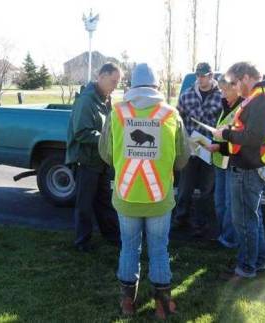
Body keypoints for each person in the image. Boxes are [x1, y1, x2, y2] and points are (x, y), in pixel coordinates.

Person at [99, 63, 190, 319]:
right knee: (160, 248)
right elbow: (182, 159)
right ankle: (162, 304)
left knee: (129, 247)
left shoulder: (116, 113)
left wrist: (125, 160)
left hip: (126, 196)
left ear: (130, 85)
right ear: (157, 86)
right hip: (159, 196)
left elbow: (105, 152)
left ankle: (128, 302)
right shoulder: (171, 114)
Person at [213, 62, 265, 279]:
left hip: (249, 167)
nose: (233, 86)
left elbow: (254, 137)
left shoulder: (261, 100)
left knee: (244, 220)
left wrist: (226, 134)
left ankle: (245, 267)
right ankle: (257, 261)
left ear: (245, 78)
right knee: (253, 218)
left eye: (234, 82)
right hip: (254, 165)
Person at [66, 62, 121, 252]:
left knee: (104, 201)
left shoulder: (106, 99)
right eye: (113, 81)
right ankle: (82, 242)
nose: (116, 85)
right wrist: (108, 141)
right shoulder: (87, 100)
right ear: (101, 76)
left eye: (118, 82)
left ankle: (112, 236)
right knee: (84, 204)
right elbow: (81, 132)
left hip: (101, 161)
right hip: (86, 161)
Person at [172, 62, 222, 237]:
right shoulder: (186, 96)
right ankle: (180, 219)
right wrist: (183, 141)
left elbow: (224, 124)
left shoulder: (221, 97)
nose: (201, 78)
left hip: (211, 148)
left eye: (204, 75)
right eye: (198, 75)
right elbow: (178, 121)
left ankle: (201, 223)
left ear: (211, 75)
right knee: (185, 187)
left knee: (207, 190)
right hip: (191, 148)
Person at [206, 76, 243, 248]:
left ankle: (229, 239)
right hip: (220, 161)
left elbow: (241, 141)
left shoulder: (242, 108)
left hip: (232, 162)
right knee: (219, 201)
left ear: (236, 87)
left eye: (225, 90)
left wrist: (218, 147)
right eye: (220, 90)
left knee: (229, 203)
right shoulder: (225, 106)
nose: (222, 94)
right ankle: (223, 234)